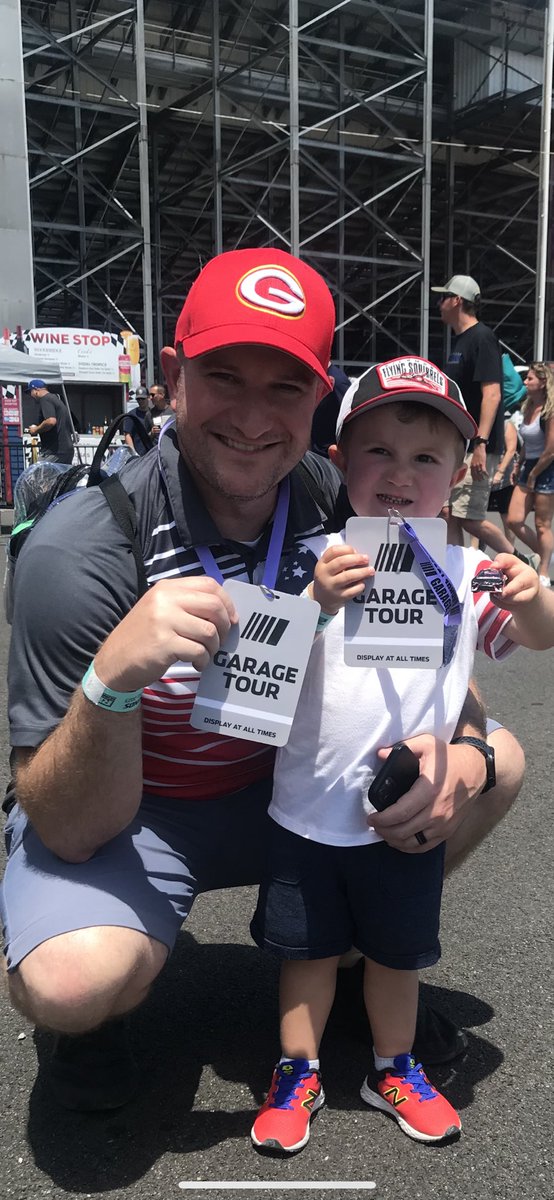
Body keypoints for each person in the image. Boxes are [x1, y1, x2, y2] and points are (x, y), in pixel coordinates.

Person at [1, 249, 523, 1115]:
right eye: (224, 377)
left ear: (319, 399)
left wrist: (465, 750)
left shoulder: (339, 495)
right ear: (174, 377)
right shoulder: (81, 551)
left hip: (289, 784)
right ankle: (94, 1019)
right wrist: (113, 680)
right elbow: (66, 823)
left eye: (284, 388)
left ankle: (356, 962)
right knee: (72, 980)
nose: (252, 418)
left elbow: (428, 648)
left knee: (500, 762)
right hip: (141, 810)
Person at [250, 359, 554, 1152]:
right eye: (378, 451)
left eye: (425, 458)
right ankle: (296, 1070)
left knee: (396, 956)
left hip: (407, 811)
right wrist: (315, 602)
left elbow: (537, 636)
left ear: (458, 474)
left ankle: (394, 1066)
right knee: (307, 954)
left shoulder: (464, 569)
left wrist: (534, 596)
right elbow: (262, 665)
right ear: (340, 460)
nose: (400, 474)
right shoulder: (307, 558)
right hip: (306, 811)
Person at [431, 275, 515, 556]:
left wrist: (481, 443)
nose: (439, 303)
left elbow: (492, 394)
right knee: (448, 514)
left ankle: (519, 559)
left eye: (443, 297)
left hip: (476, 444)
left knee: (469, 517)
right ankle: (454, 569)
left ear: (457, 300)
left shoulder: (482, 338)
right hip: (460, 443)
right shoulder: (461, 341)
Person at [507, 363, 554, 588]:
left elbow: (551, 450)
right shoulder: (528, 406)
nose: (525, 382)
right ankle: (546, 554)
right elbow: (527, 442)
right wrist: (519, 464)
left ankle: (543, 570)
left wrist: (535, 473)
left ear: (543, 383)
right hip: (529, 466)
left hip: (547, 467)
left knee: (542, 524)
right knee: (514, 520)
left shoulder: (549, 410)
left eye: (530, 379)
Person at [487, 414, 520, 546]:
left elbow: (511, 450)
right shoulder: (482, 424)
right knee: (475, 516)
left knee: (506, 515)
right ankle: (475, 547)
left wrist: (500, 472)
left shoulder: (506, 424)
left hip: (503, 480)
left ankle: (510, 548)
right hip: (484, 477)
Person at [25, 379, 74, 464]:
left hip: (53, 451)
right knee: (61, 473)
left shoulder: (45, 399)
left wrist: (35, 429)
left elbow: (51, 421)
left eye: (30, 392)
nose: (30, 395)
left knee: (38, 472)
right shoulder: (55, 399)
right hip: (66, 450)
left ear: (36, 390)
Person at [122, 385, 154, 455]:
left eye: (143, 398)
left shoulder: (154, 413)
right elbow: (127, 435)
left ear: (148, 398)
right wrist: (133, 453)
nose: (140, 401)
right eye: (138, 399)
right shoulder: (131, 415)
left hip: (152, 453)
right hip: (139, 454)